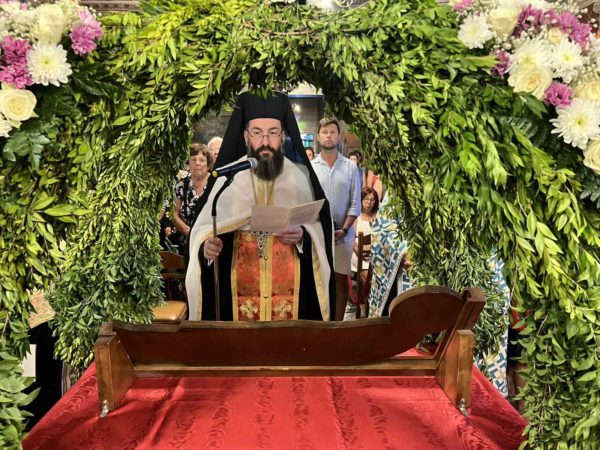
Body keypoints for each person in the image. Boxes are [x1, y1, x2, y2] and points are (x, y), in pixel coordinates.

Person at [186, 92, 335, 321]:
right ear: (246, 137)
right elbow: (202, 232)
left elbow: (319, 231)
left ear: (283, 136)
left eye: (273, 132)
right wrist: (206, 249)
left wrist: (303, 237)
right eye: (257, 133)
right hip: (237, 300)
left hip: (291, 303)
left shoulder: (300, 177)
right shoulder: (228, 179)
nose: (265, 141)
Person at [312, 118, 362, 320]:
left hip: (344, 234)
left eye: (332, 132)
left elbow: (355, 203)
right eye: (324, 132)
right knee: (319, 279)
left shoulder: (350, 167)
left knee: (340, 281)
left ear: (339, 136)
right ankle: (321, 324)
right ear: (318, 137)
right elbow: (309, 200)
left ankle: (338, 325)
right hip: (318, 235)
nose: (328, 136)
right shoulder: (311, 167)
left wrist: (344, 229)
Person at [173, 143, 213, 241]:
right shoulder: (181, 184)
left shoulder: (215, 183)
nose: (197, 163)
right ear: (189, 163)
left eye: (202, 160)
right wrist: (190, 233)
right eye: (193, 159)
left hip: (212, 241)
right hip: (187, 240)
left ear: (208, 164)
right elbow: (174, 213)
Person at [350, 187, 379, 274]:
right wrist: (359, 252)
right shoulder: (356, 216)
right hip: (358, 253)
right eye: (366, 198)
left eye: (372, 200)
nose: (369, 202)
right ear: (361, 199)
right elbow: (351, 238)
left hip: (376, 252)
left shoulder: (379, 215)